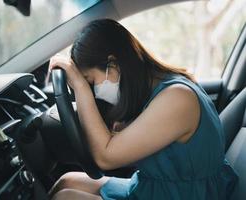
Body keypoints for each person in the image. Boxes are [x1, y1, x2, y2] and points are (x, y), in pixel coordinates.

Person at [47, 19, 237, 200]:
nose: (93, 92)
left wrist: (80, 87)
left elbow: (105, 158)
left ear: (113, 64)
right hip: (155, 186)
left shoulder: (177, 98)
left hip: (183, 194)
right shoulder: (152, 92)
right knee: (66, 182)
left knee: (65, 197)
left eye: (91, 81)